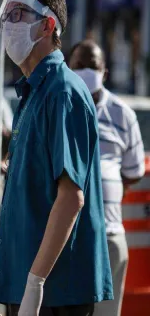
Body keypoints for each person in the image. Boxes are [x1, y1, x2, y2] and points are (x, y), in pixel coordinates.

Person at [0, 0, 112, 316]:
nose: (8, 25)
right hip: (27, 283)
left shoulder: (62, 92)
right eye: (5, 16)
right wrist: (6, 280)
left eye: (18, 15)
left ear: (48, 25)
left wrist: (35, 282)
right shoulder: (32, 92)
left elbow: (70, 197)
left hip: (57, 289)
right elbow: (28, 195)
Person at [68, 39, 145, 316]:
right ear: (68, 68)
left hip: (109, 234)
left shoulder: (122, 114)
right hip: (66, 236)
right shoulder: (58, 106)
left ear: (105, 72)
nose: (85, 71)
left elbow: (133, 171)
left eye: (92, 66)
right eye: (79, 65)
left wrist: (103, 192)